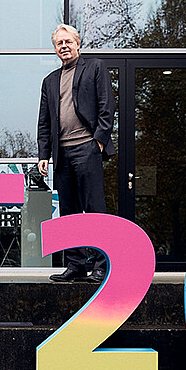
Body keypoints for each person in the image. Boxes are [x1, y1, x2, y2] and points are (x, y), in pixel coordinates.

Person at [37, 24, 116, 283]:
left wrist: (99, 142)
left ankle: (101, 265)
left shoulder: (95, 68)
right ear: (55, 49)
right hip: (62, 154)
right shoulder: (49, 81)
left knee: (94, 209)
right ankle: (76, 265)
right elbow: (44, 122)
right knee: (68, 212)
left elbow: (107, 106)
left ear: (78, 44)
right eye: (59, 43)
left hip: (87, 148)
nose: (64, 46)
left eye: (68, 41)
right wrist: (43, 155)